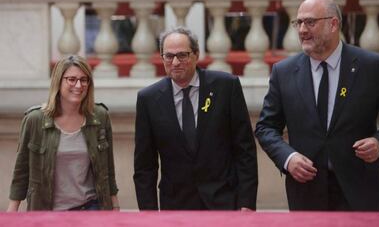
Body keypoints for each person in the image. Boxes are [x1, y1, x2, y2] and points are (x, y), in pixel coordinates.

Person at [255, 0, 379, 211]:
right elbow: (265, 127)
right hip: (306, 192)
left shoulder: (370, 66)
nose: (301, 30)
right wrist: (288, 158)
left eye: (310, 22)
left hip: (360, 190)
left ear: (333, 24)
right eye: (298, 23)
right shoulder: (284, 72)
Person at [134, 26, 258, 210]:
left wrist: (247, 202)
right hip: (176, 207)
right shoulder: (149, 99)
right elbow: (145, 167)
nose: (175, 62)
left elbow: (245, 150)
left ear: (196, 54)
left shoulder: (226, 87)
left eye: (182, 55)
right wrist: (148, 214)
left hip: (224, 201)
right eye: (169, 56)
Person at [7, 55, 119, 211]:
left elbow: (108, 168)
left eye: (84, 80)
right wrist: (12, 212)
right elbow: (21, 171)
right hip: (47, 212)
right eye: (71, 79)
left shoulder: (100, 117)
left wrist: (114, 204)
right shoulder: (35, 120)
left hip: (91, 209)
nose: (79, 85)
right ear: (58, 82)